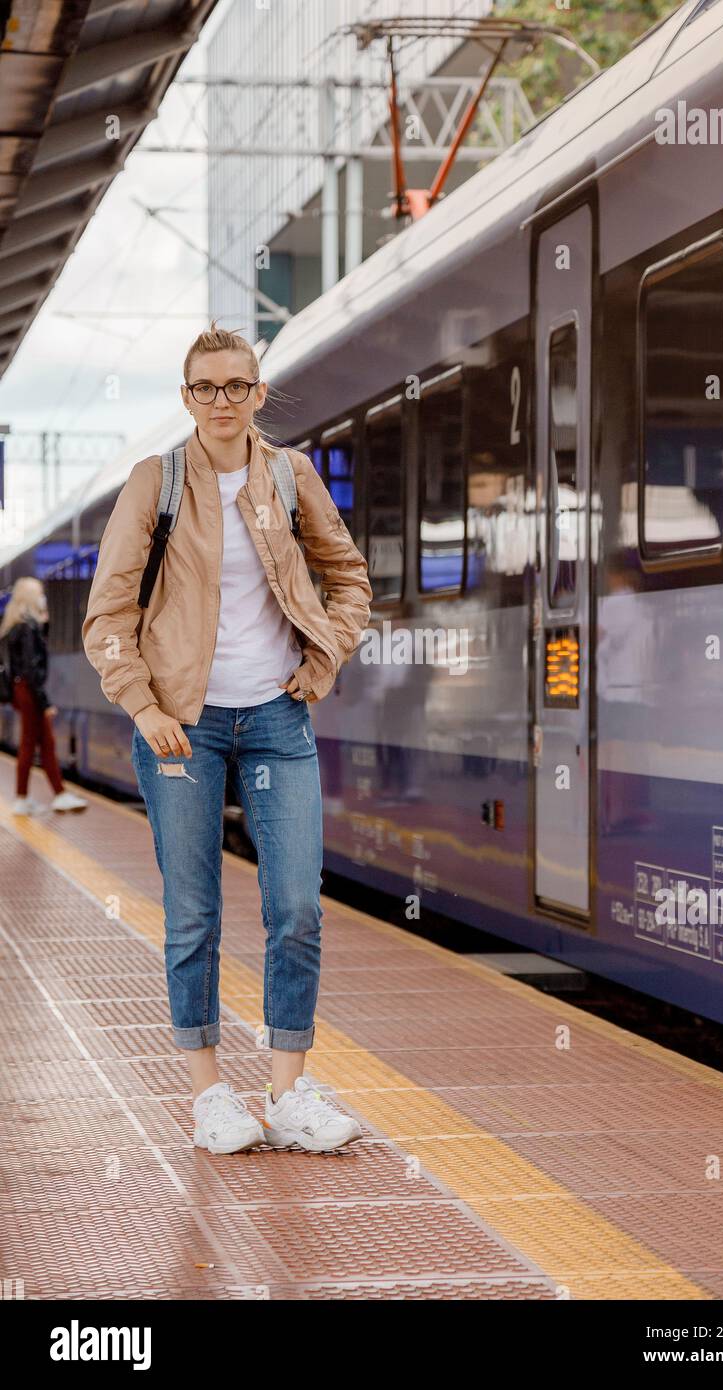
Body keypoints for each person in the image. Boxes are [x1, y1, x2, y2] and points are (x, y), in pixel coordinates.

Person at [81, 321, 373, 1156]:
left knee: (295, 908)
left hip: (278, 718)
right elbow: (109, 612)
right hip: (183, 728)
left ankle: (288, 1091)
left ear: (258, 394)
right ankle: (210, 1091)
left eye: (236, 387)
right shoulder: (157, 483)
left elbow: (347, 574)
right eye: (204, 388)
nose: (221, 402)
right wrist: (143, 707)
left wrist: (323, 663)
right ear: (186, 397)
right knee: (194, 914)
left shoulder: (290, 474)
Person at [0, 576, 88, 815]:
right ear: (31, 597)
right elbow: (30, 669)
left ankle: (50, 794)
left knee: (41, 743)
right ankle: (37, 797)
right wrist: (45, 702)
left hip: (23, 690)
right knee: (35, 742)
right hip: (29, 691)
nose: (43, 597)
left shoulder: (16, 626)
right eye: (39, 593)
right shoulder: (26, 628)